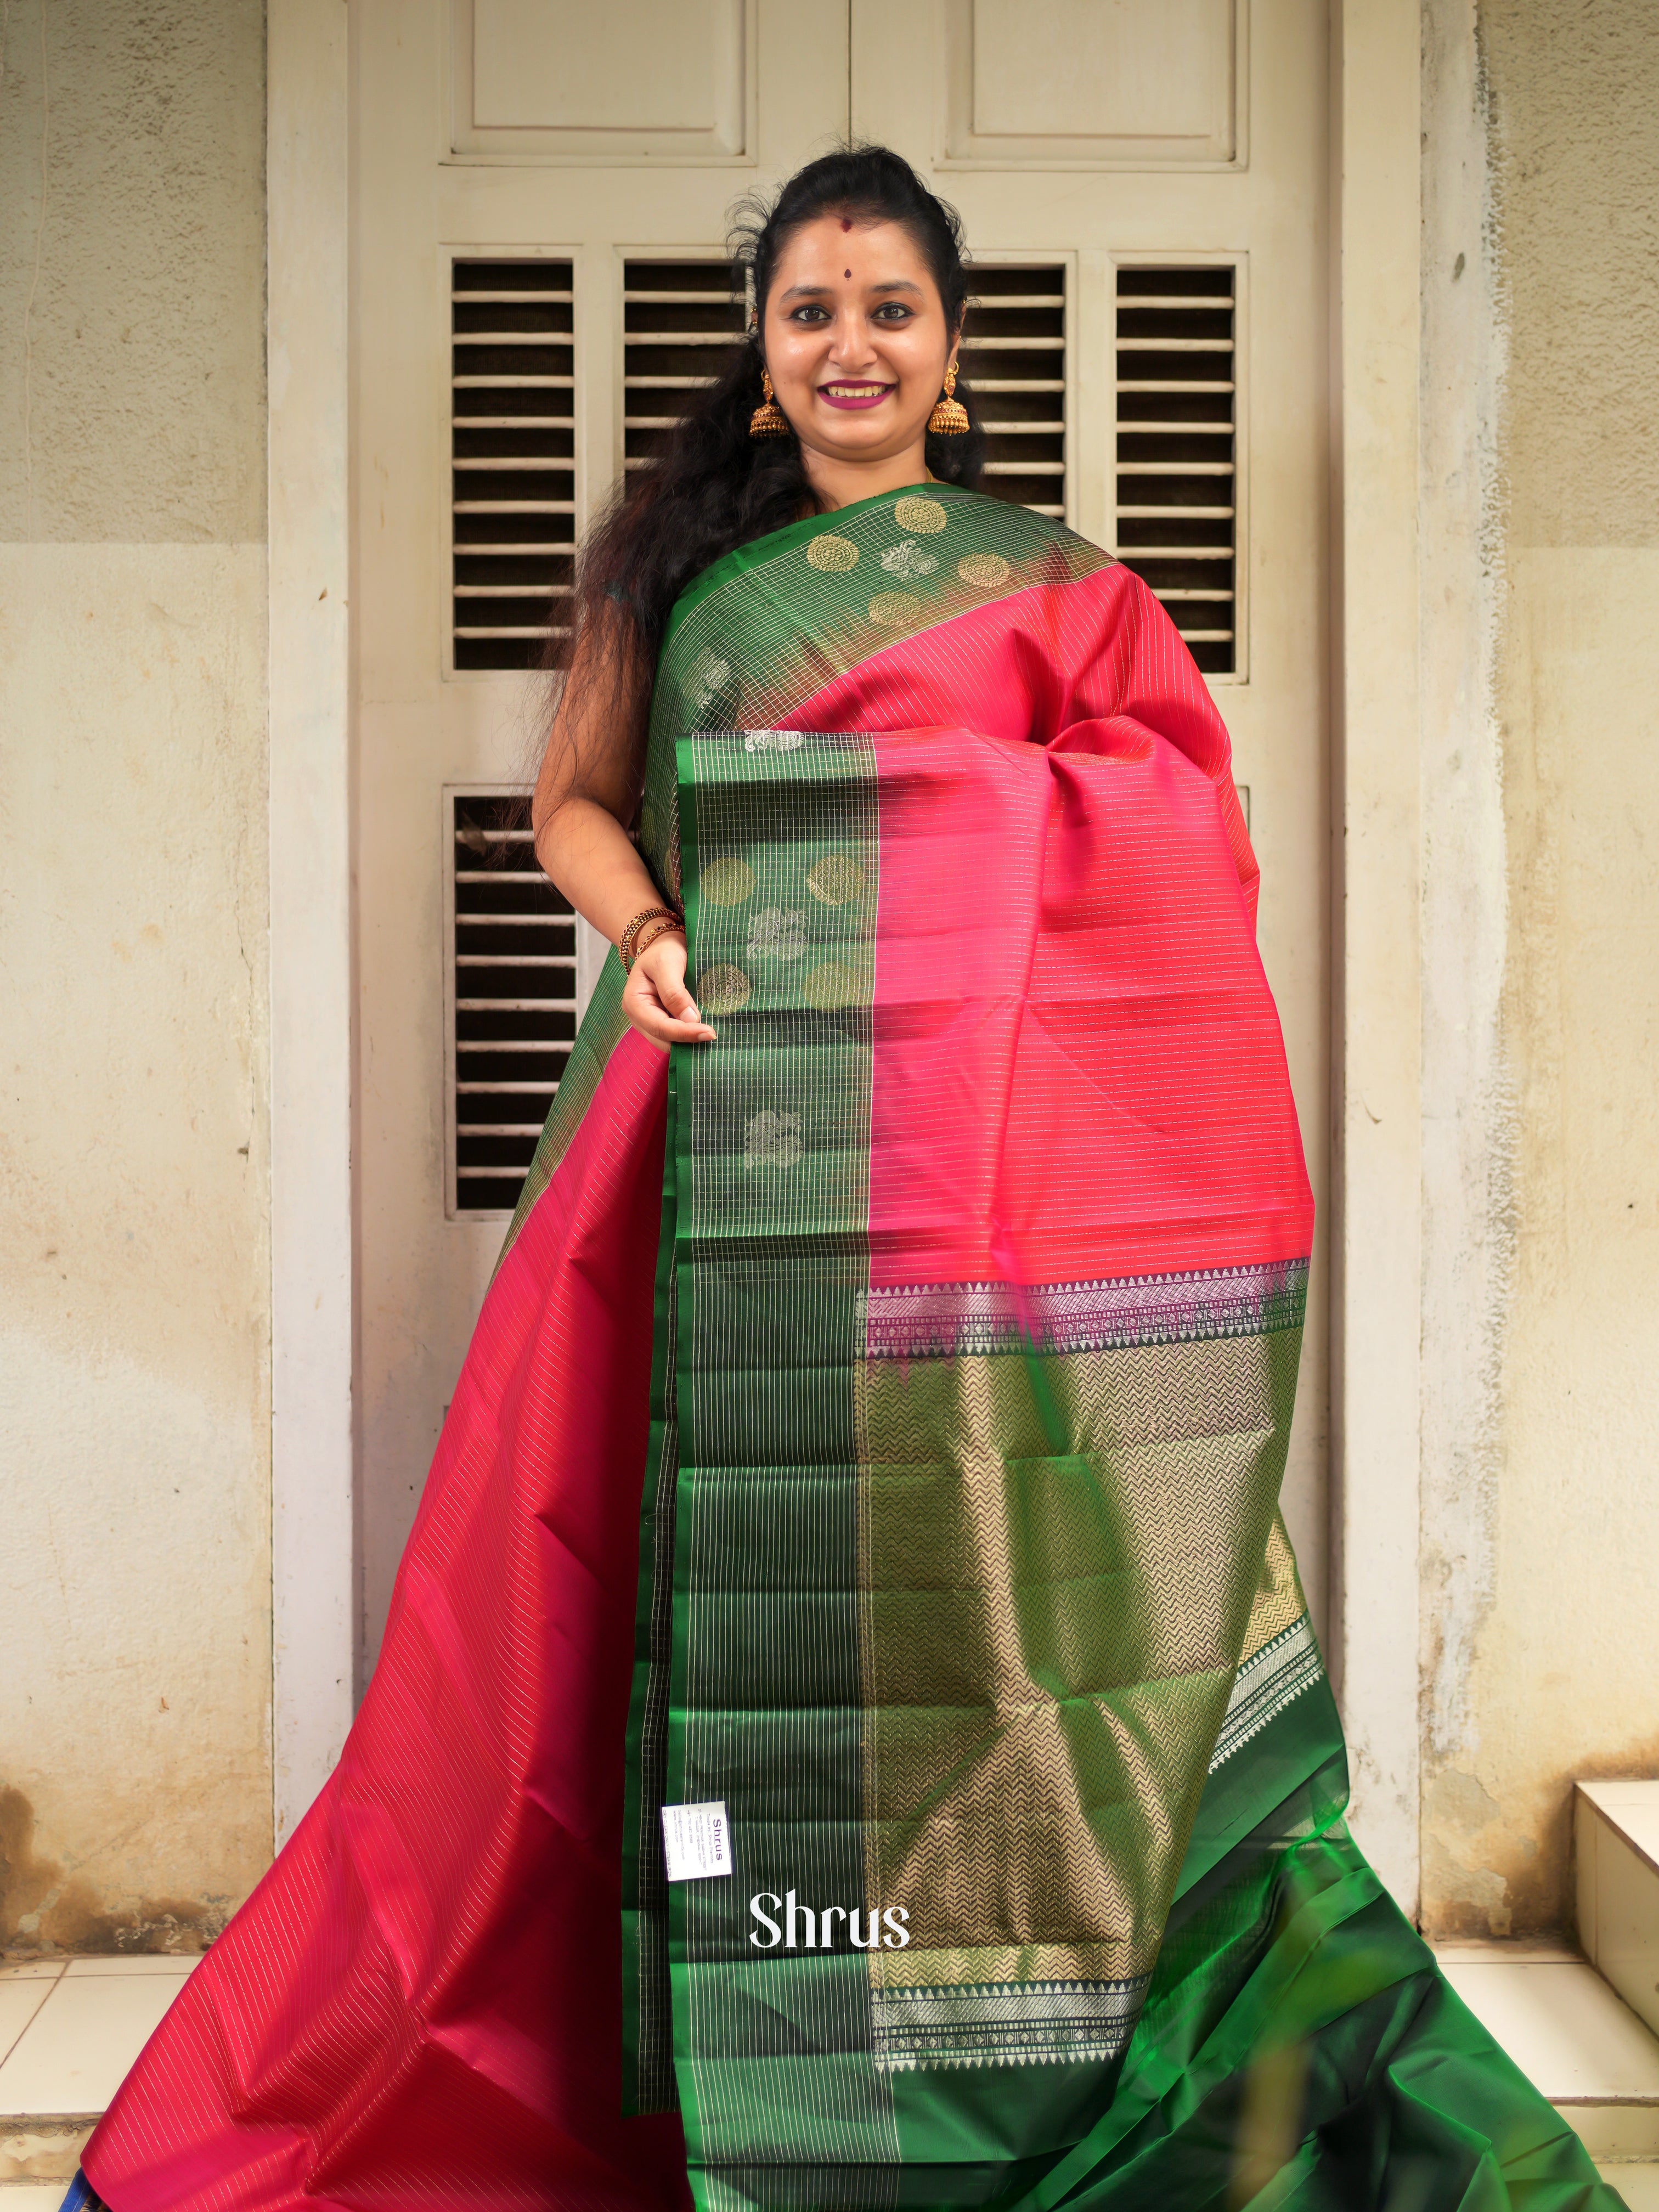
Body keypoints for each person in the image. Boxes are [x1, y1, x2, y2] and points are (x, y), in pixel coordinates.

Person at [65, 145, 1620, 2212]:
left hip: (987, 1215)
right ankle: (650, 2076)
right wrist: (653, 933)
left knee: (973, 1608)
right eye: (812, 309)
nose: (851, 343)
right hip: (715, 1152)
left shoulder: (1066, 592)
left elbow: (1170, 840)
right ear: (762, 354)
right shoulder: (670, 579)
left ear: (954, 357)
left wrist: (923, 839)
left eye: (890, 307)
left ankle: (975, 2051)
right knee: (630, 1623)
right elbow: (577, 812)